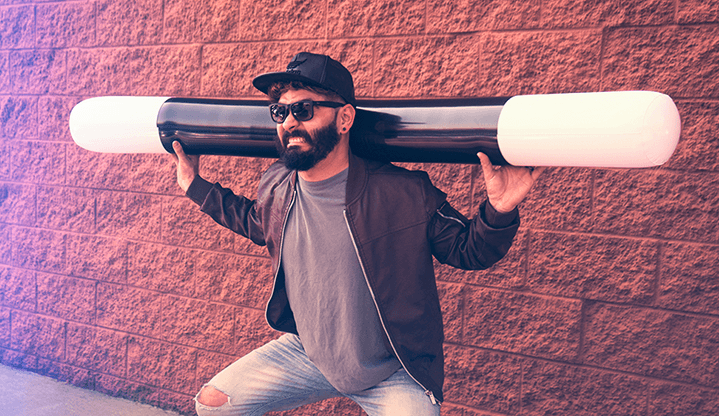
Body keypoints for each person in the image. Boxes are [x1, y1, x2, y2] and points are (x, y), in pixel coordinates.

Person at [171, 52, 543, 416]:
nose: (288, 122)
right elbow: (257, 222)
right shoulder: (277, 184)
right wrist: (195, 187)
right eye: (280, 112)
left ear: (345, 118)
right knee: (214, 404)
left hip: (394, 369)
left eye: (303, 110)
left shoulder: (404, 193)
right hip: (311, 354)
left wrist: (499, 209)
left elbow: (470, 251)